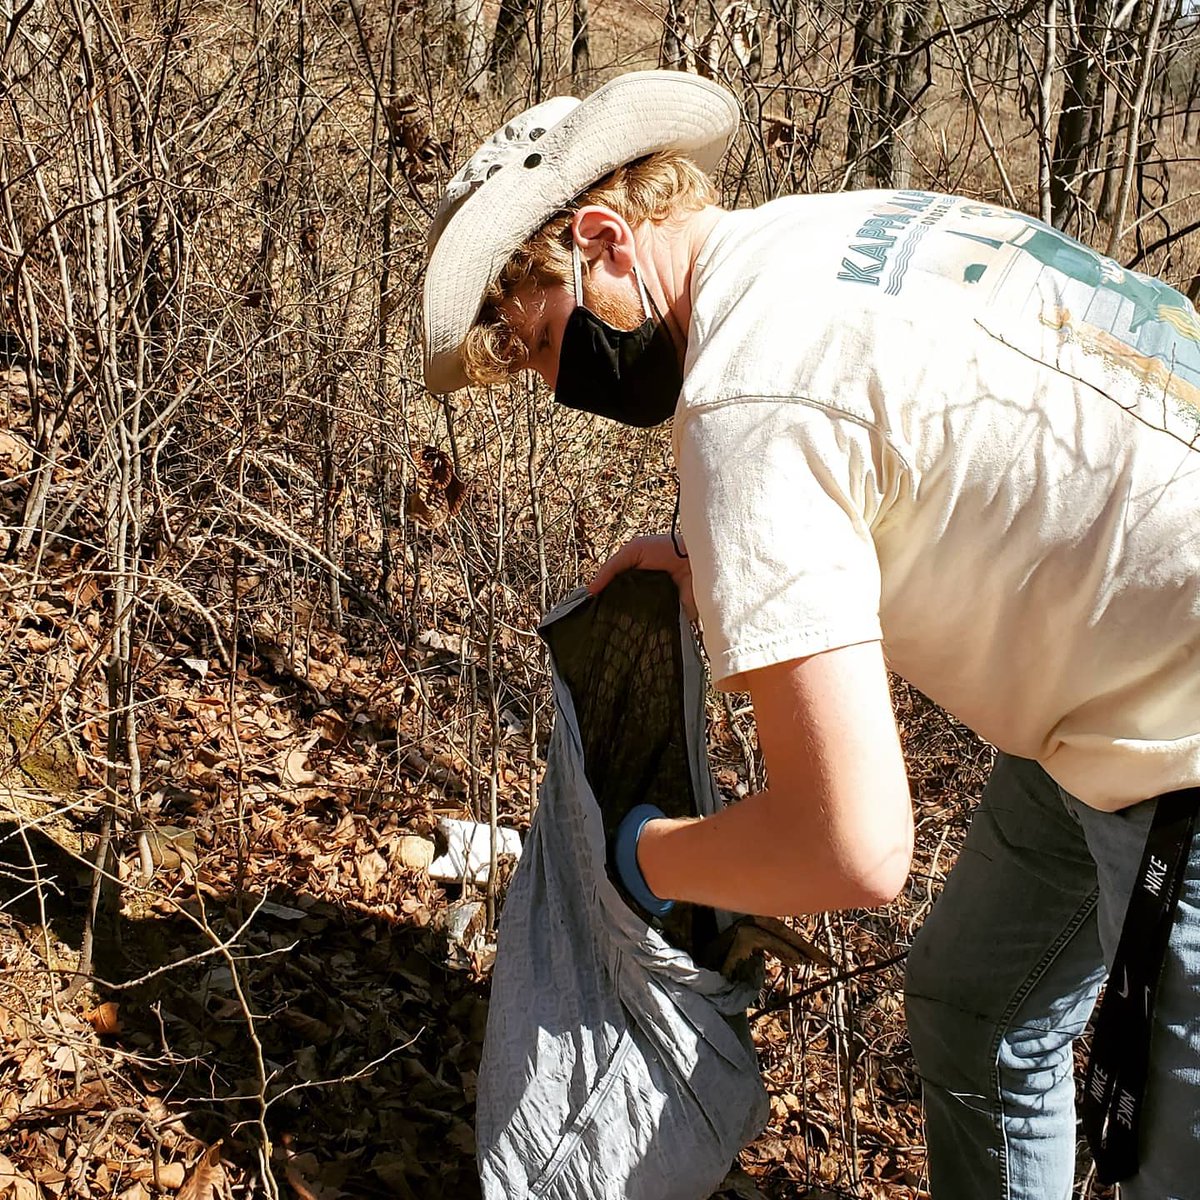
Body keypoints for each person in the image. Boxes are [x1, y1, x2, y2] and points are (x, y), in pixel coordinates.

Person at [421, 70, 1200, 1199]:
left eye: (542, 343)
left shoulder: (748, 398)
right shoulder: (837, 229)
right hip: (1112, 673)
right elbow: (941, 446)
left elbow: (856, 849)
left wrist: (639, 857)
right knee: (978, 1011)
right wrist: (698, 563)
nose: (553, 384)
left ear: (605, 239)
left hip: (1174, 731)